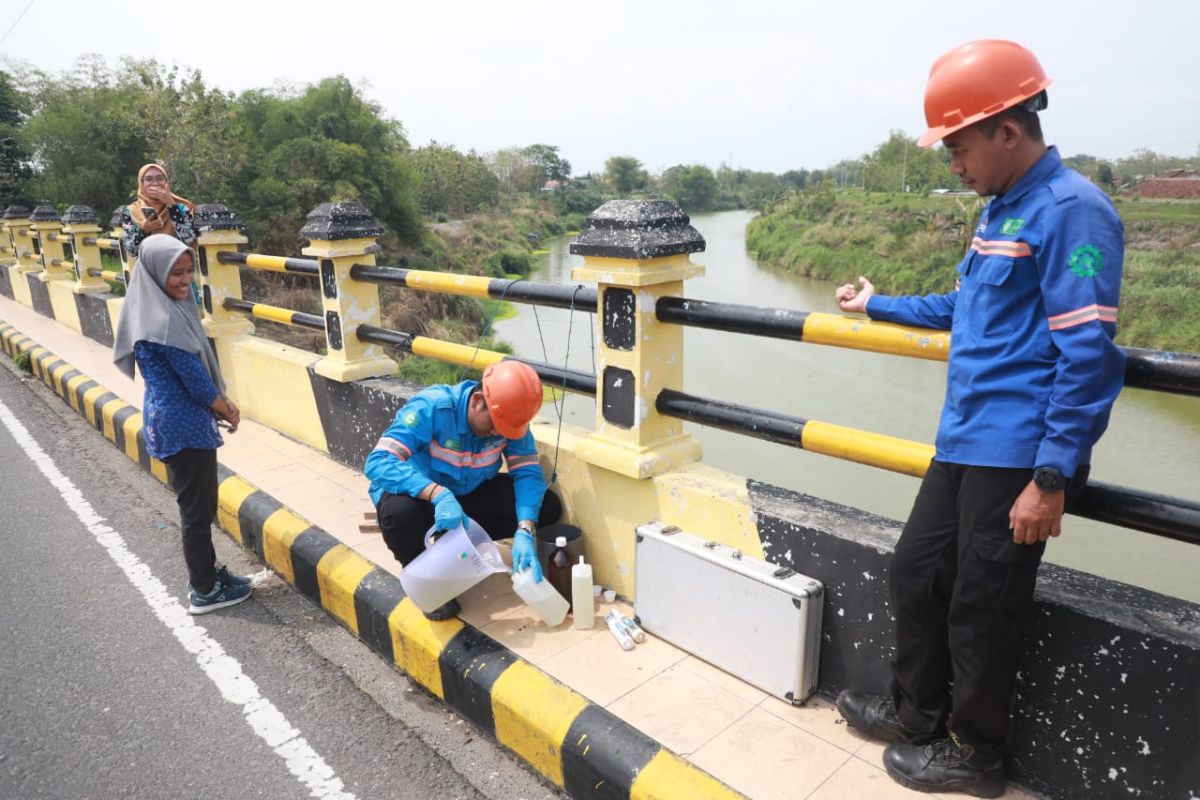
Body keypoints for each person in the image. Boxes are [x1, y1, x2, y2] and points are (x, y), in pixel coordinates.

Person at [832, 40, 1126, 798]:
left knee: (981, 606)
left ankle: (975, 753)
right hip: (965, 436)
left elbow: (1089, 353)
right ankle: (914, 714)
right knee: (917, 574)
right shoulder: (1005, 207)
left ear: (1007, 128)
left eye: (958, 146)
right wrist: (877, 305)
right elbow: (968, 310)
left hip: (1018, 451)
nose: (953, 165)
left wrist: (1052, 474)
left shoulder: (1073, 213)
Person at [113, 235, 252, 614]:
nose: (185, 280)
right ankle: (204, 589)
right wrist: (227, 409)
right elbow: (195, 380)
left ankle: (208, 574)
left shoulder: (153, 306)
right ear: (156, 272)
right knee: (196, 511)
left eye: (190, 271)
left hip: (171, 418)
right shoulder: (162, 322)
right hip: (182, 424)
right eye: (176, 273)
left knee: (200, 506)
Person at [365, 360, 563, 620]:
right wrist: (437, 493)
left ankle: (451, 544)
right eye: (493, 425)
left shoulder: (510, 421)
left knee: (548, 506)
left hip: (466, 497)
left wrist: (525, 529)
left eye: (504, 430)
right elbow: (378, 462)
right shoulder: (433, 407)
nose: (496, 433)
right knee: (400, 515)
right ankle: (426, 577)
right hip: (423, 499)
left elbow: (526, 474)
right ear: (478, 400)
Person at [120, 163, 197, 260]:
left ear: (166, 182)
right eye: (148, 179)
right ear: (141, 183)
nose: (155, 183)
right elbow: (131, 251)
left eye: (160, 178)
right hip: (147, 269)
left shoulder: (181, 207)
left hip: (177, 266)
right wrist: (144, 231)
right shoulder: (131, 211)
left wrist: (171, 205)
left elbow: (188, 239)